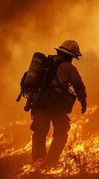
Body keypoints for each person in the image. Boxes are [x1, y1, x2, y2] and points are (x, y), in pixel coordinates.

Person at [30, 40, 87, 169]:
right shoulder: (68, 67)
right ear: (70, 55)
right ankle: (50, 164)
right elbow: (78, 85)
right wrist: (83, 101)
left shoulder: (45, 63)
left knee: (39, 134)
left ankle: (37, 164)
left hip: (39, 103)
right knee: (61, 132)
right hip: (56, 106)